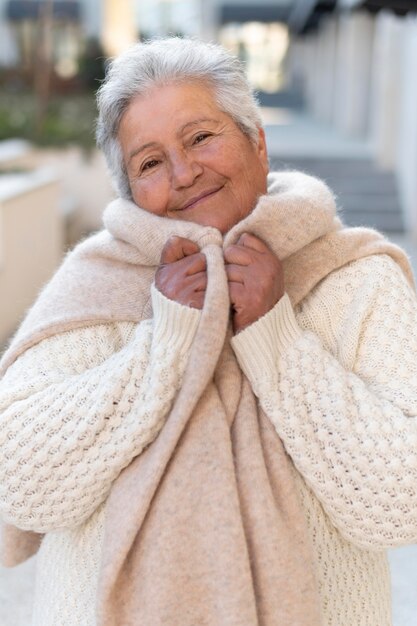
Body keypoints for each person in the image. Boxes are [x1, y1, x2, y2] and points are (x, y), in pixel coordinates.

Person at [0, 37, 417, 626]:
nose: (184, 171)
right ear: (131, 193)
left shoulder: (357, 279)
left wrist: (277, 339)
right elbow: (19, 483)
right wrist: (164, 346)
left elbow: (401, 502)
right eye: (149, 162)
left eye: (201, 137)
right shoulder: (94, 285)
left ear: (259, 143)